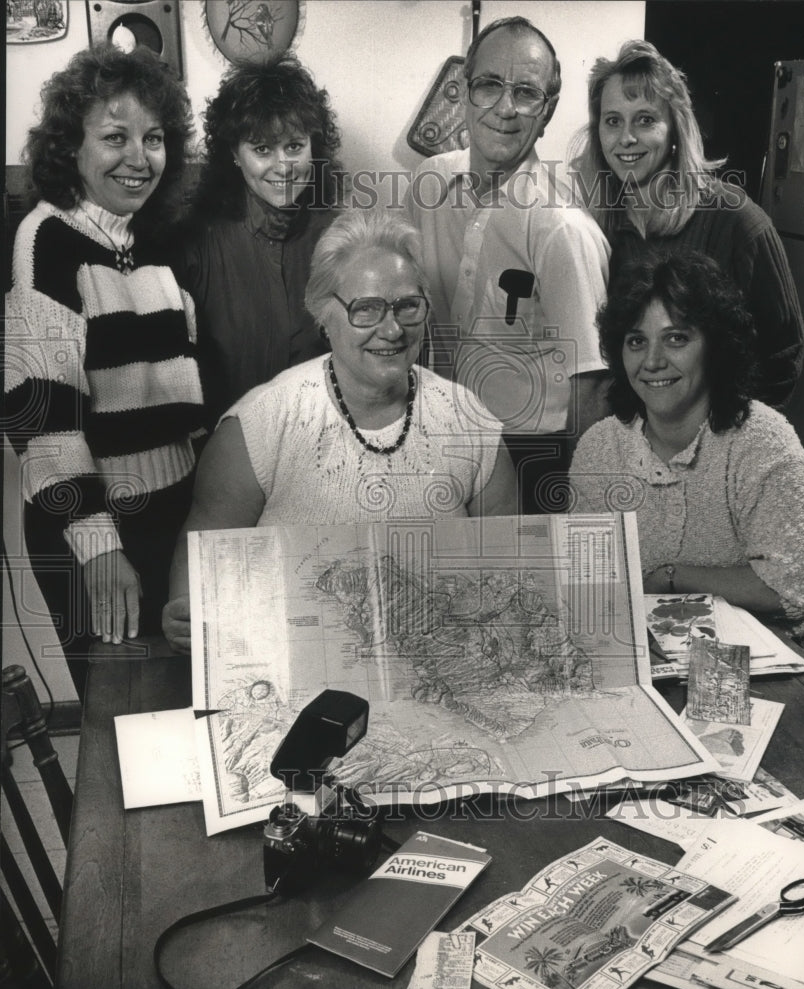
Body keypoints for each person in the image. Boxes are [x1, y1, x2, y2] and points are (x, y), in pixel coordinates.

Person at [161, 209, 518, 652]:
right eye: (366, 309)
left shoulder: (471, 423)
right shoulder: (259, 425)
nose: (391, 330)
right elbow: (200, 569)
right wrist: (187, 615)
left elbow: (507, 574)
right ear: (323, 315)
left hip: (439, 668)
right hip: (295, 672)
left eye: (408, 306)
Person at [4, 44, 204, 697]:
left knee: (184, 713)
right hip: (90, 527)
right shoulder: (46, 238)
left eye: (153, 138)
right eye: (114, 137)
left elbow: (181, 404)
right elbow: (41, 419)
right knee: (121, 726)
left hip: (171, 521)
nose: (138, 157)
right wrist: (99, 546)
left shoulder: (153, 241)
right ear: (71, 147)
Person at [406, 16, 611, 515]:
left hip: (532, 454)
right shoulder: (427, 185)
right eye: (489, 85)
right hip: (437, 439)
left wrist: (580, 506)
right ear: (463, 91)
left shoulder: (563, 229)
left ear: (548, 111)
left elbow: (592, 390)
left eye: (525, 93)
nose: (504, 108)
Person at [569, 250, 804, 640]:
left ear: (715, 346)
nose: (652, 361)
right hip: (641, 652)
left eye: (676, 338)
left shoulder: (765, 445)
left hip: (764, 661)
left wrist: (673, 579)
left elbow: (793, 589)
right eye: (636, 341)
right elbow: (586, 586)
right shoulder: (598, 449)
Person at [569, 39, 804, 408]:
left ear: (675, 129)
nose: (626, 138)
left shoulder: (735, 220)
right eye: (612, 121)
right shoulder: (595, 225)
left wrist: (724, 433)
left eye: (645, 119)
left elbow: (784, 354)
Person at [177, 53, 343, 429]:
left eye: (294, 146)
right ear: (234, 154)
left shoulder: (341, 238)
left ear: (314, 147)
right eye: (262, 149)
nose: (283, 167)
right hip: (223, 453)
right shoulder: (194, 244)